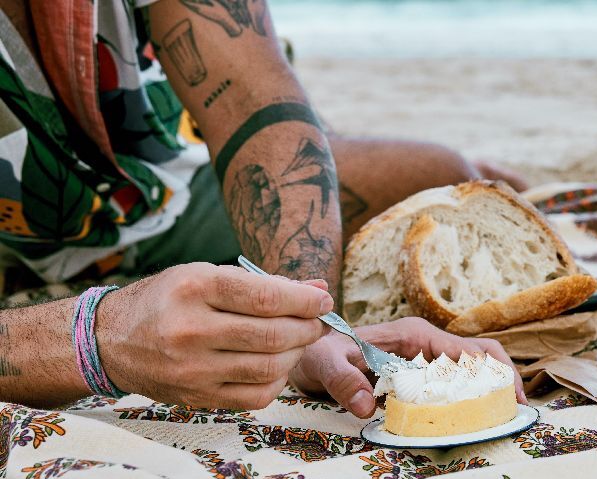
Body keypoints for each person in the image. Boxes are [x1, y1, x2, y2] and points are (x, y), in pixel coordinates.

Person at [0, 0, 523, 414]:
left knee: (441, 174)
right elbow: (92, 338)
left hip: (153, 182)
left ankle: (330, 139)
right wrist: (98, 337)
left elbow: (251, 100)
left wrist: (307, 319)